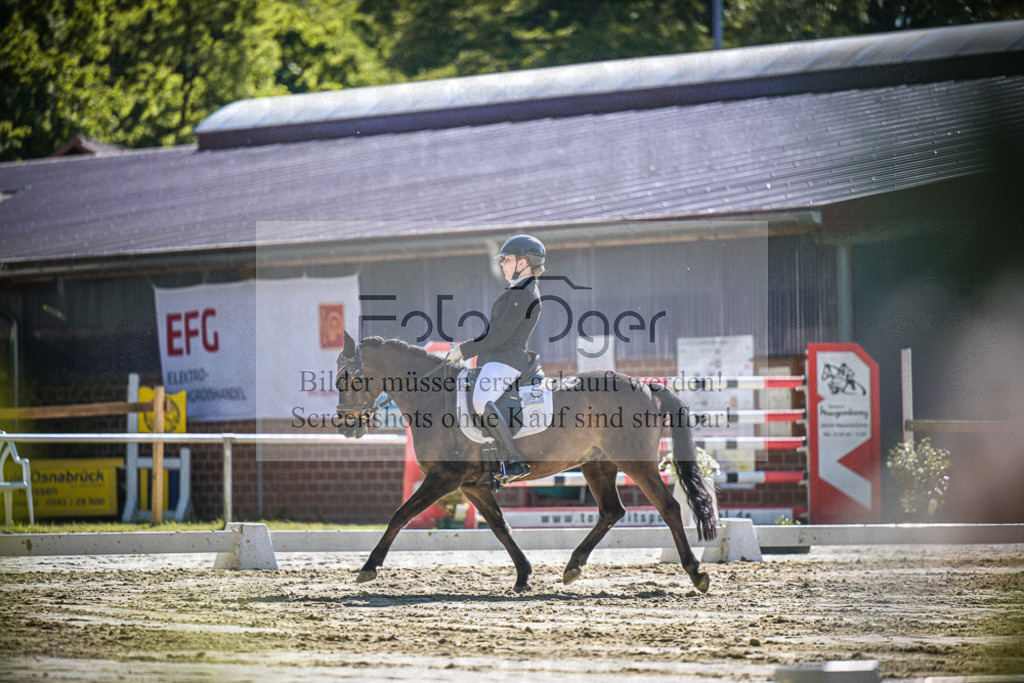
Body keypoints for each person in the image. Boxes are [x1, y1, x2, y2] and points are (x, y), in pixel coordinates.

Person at [446, 234, 545, 488]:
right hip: (497, 357)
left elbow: (501, 335)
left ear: (523, 262)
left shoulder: (524, 293)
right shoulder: (518, 290)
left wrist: (465, 350)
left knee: (481, 400)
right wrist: (467, 350)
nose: (502, 264)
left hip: (508, 360)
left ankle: (515, 460)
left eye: (507, 259)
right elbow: (495, 333)